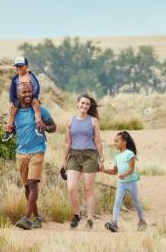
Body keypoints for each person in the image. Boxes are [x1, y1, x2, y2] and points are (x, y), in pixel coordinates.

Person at [13, 82, 56, 230]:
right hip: (21, 152)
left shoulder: (40, 110)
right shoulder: (15, 111)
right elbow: (12, 129)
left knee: (32, 183)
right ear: (18, 94)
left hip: (37, 150)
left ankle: (26, 218)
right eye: (24, 92)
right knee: (26, 186)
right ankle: (37, 217)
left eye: (29, 92)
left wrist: (46, 127)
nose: (27, 95)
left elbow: (54, 127)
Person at [61, 94, 105, 230]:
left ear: (89, 106)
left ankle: (90, 219)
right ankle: (77, 215)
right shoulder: (70, 120)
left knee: (88, 189)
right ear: (77, 104)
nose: (85, 106)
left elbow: (97, 141)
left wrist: (101, 158)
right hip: (74, 155)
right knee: (71, 188)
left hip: (90, 156)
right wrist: (63, 160)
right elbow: (67, 142)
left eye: (87, 104)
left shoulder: (93, 121)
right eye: (82, 103)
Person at [101, 131, 146, 233]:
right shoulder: (117, 156)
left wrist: (124, 174)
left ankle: (142, 221)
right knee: (117, 202)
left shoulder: (130, 154)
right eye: (114, 141)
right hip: (121, 183)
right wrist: (103, 170)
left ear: (124, 142)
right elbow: (115, 171)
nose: (114, 143)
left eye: (117, 141)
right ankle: (114, 224)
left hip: (131, 182)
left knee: (135, 202)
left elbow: (131, 168)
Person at [5, 56, 44, 138]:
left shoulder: (31, 76)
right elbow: (12, 90)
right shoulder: (15, 79)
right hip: (19, 99)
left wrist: (33, 97)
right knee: (12, 110)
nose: (19, 68)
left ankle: (38, 126)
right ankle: (9, 130)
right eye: (17, 66)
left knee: (36, 105)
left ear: (26, 66)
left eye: (21, 66)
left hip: (30, 97)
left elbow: (36, 87)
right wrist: (13, 101)